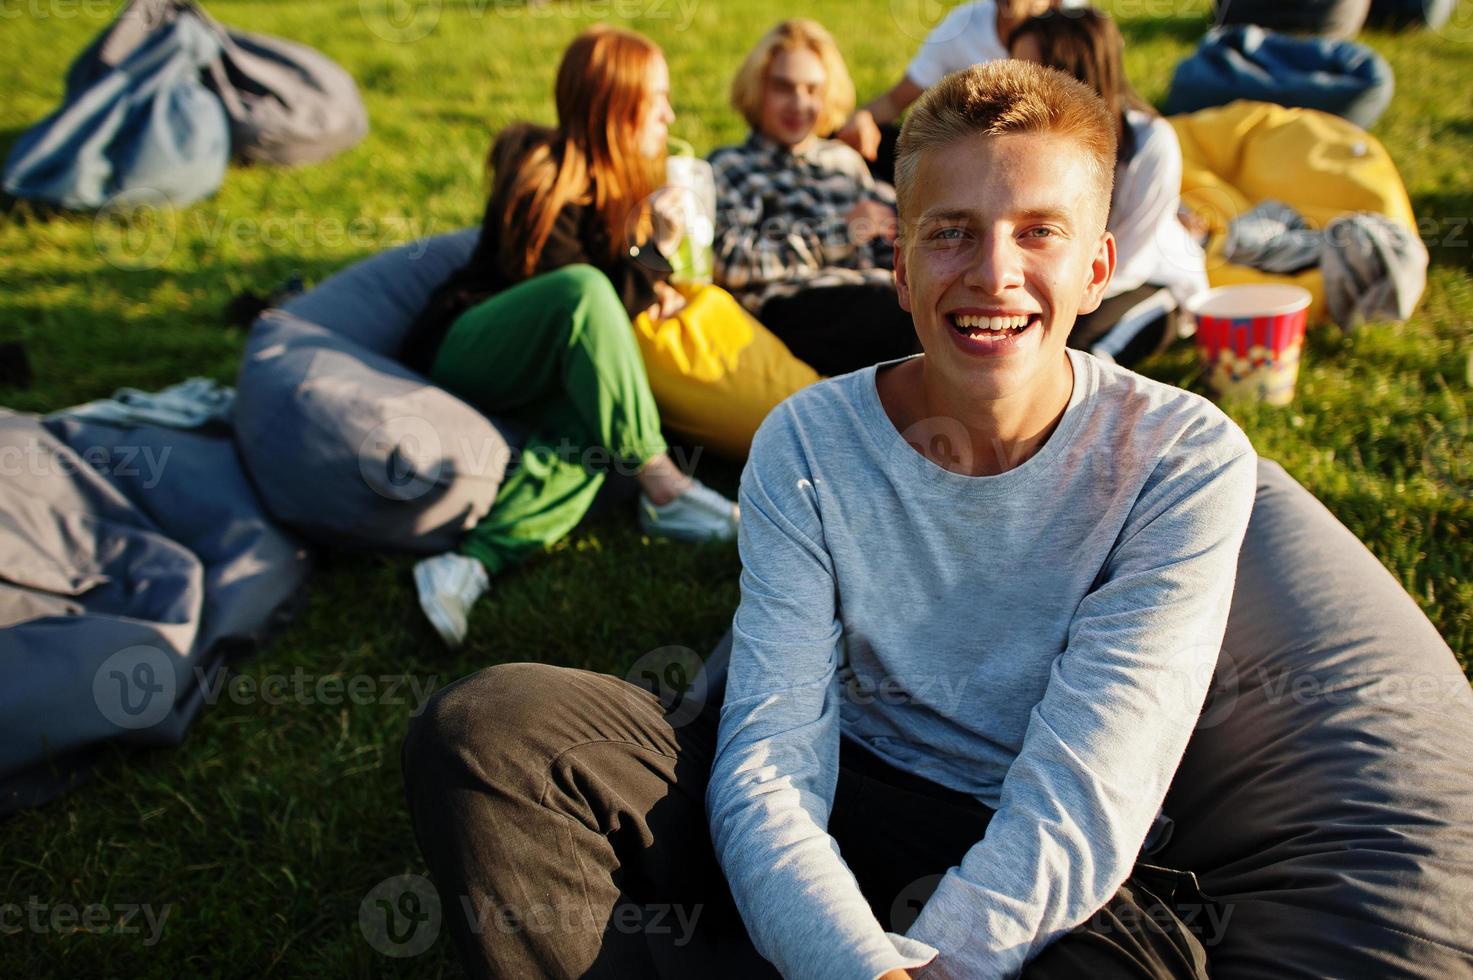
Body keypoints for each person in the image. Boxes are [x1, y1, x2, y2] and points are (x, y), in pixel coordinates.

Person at [401, 60, 1257, 979]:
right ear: (898, 264)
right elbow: (772, 755)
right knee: (490, 731)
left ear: (1096, 269)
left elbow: (1082, 800)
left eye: (1037, 232)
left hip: (1009, 839)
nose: (994, 272)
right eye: (951, 234)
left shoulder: (1180, 461)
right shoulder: (809, 439)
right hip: (828, 786)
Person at [398, 26, 739, 648]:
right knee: (583, 293)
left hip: (540, 378)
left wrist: (657, 261)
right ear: (614, 103)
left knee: (589, 433)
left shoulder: (628, 183)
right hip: (472, 347)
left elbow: (610, 305)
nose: (669, 112)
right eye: (655, 97)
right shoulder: (540, 171)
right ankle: (665, 486)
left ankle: (467, 566)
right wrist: (649, 254)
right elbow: (572, 297)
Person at [708, 19, 918, 378]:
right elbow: (730, 262)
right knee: (900, 317)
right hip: (794, 308)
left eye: (812, 90)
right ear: (758, 90)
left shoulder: (844, 162)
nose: (798, 103)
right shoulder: (731, 166)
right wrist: (837, 234)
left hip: (876, 296)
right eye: (783, 87)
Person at [1008, 7, 1208, 365]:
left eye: (1030, 71)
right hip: (1058, 282)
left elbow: (1133, 256)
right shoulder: (1023, 140)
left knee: (1080, 357)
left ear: (1074, 75)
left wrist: (1047, 298)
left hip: (1146, 279)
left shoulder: (1150, 142)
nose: (1015, 84)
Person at [837, 0, 1071, 182]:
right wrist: (859, 120)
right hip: (965, 157)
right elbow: (896, 100)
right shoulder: (963, 26)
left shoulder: (1074, 29)